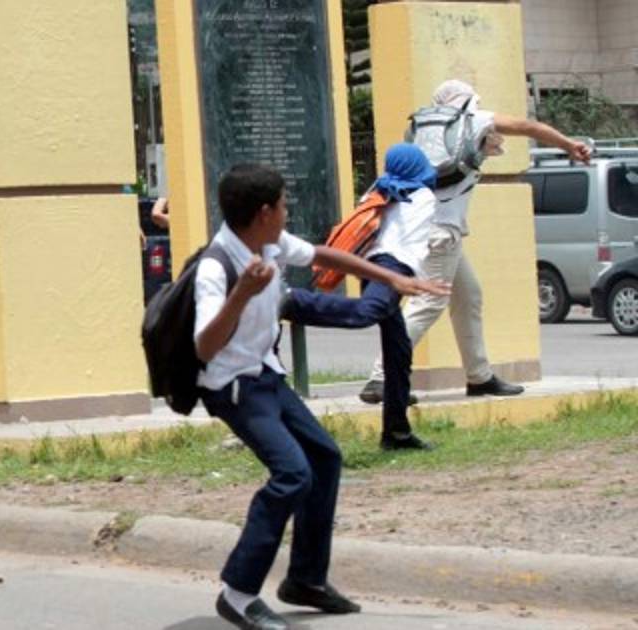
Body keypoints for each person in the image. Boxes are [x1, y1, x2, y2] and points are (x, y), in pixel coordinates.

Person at [197, 164, 446, 629]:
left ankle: (305, 580)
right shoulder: (217, 267)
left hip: (265, 376)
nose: (287, 212)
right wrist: (241, 294)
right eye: (283, 205)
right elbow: (205, 347)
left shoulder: (269, 243)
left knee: (324, 458)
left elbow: (324, 255)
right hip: (233, 387)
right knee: (292, 474)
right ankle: (238, 593)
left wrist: (391, 279)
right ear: (264, 212)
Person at [361, 79, 592, 404]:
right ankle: (381, 378)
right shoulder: (475, 120)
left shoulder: (421, 129)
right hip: (440, 232)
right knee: (428, 303)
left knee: (468, 295)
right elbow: (528, 126)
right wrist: (569, 145)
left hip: (426, 228)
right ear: (468, 100)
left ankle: (479, 376)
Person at [282, 143, 442, 450]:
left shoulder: (378, 189)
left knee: (398, 350)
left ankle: (397, 433)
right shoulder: (423, 194)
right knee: (366, 312)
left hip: (371, 264)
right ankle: (292, 301)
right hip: (392, 267)